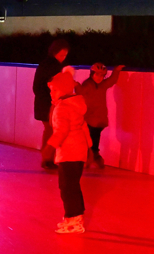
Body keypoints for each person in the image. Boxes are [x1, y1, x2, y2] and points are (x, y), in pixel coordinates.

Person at [43, 70, 92, 234]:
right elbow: (84, 127)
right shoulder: (75, 105)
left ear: (63, 90)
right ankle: (73, 218)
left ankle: (74, 220)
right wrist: (89, 148)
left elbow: (61, 131)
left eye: (54, 90)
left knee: (67, 187)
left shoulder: (63, 108)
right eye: (51, 90)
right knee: (72, 186)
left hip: (69, 153)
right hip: (78, 153)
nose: (52, 93)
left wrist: (50, 147)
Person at [78, 63, 124, 169]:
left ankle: (93, 156)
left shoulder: (103, 85)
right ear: (92, 74)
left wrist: (116, 70)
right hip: (89, 118)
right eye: (97, 75)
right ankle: (91, 157)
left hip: (99, 119)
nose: (99, 78)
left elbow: (111, 81)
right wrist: (75, 85)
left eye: (102, 76)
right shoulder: (87, 85)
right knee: (89, 140)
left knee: (94, 140)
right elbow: (80, 93)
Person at [33, 39, 70, 169]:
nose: (63, 58)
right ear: (55, 53)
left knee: (50, 130)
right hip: (49, 104)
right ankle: (48, 158)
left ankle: (49, 158)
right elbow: (58, 85)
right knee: (52, 130)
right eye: (61, 55)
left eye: (65, 56)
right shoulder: (53, 67)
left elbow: (36, 87)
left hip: (44, 103)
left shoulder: (45, 64)